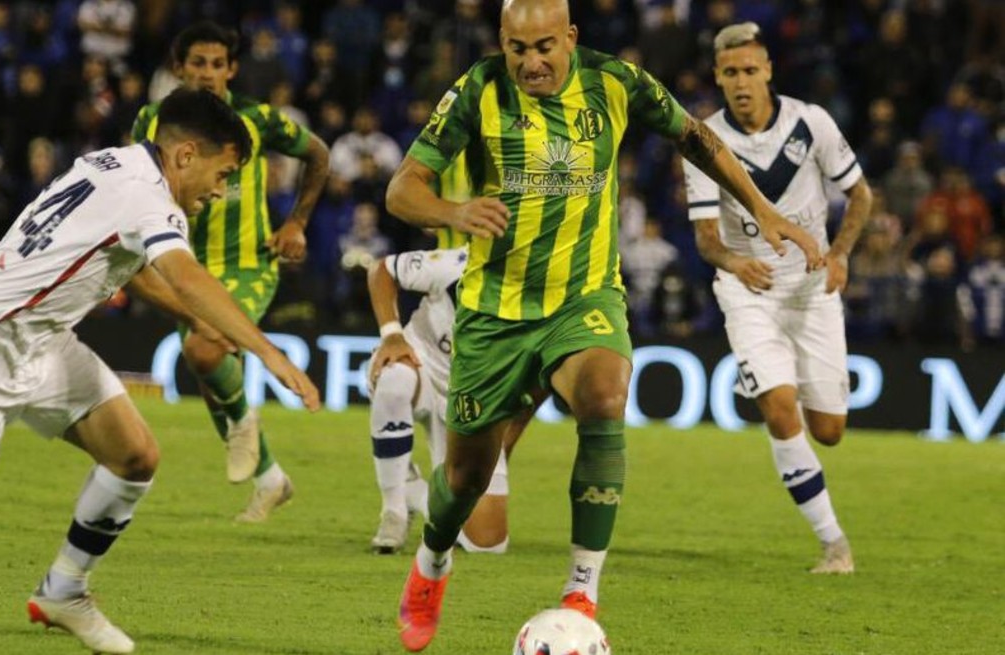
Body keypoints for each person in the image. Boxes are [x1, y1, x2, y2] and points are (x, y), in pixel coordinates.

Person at [0, 88, 321, 655]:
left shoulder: (113, 163)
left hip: (42, 344)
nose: (221, 190)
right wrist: (268, 351)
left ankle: (64, 590)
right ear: (187, 154)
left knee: (135, 457)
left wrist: (199, 321)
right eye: (223, 174)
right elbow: (185, 276)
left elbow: (133, 266)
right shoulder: (149, 200)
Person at [384, 1, 822, 650]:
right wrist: (453, 210)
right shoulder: (478, 89)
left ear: (570, 37)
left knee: (606, 395)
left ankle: (581, 587)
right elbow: (402, 189)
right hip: (495, 312)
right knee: (465, 478)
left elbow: (695, 137)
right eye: (517, 49)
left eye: (544, 47)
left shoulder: (614, 80)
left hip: (584, 296)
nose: (531, 62)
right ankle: (431, 563)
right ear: (502, 42)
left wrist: (761, 207)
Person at [684, 22, 872, 575]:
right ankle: (834, 544)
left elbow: (860, 194)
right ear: (718, 78)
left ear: (768, 70)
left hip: (813, 290)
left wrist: (840, 254)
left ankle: (828, 525)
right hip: (751, 292)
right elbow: (706, 239)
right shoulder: (703, 141)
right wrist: (734, 262)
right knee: (778, 406)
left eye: (750, 70)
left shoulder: (810, 123)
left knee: (829, 431)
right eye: (731, 73)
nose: (741, 82)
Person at [130, 21, 331, 523]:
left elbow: (318, 154)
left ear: (232, 69)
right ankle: (271, 480)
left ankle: (243, 424)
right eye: (198, 63)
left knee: (204, 348)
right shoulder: (152, 122)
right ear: (179, 69)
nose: (208, 73)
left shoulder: (258, 120)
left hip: (248, 265)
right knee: (208, 369)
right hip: (181, 265)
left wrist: (297, 223)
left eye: (217, 64)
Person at [365, 246, 536, 555]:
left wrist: (504, 443)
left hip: (473, 404)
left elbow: (533, 388)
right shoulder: (458, 263)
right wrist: (392, 335)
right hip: (421, 366)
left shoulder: (542, 298)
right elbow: (382, 270)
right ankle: (393, 510)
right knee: (395, 381)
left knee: (487, 545)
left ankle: (411, 490)